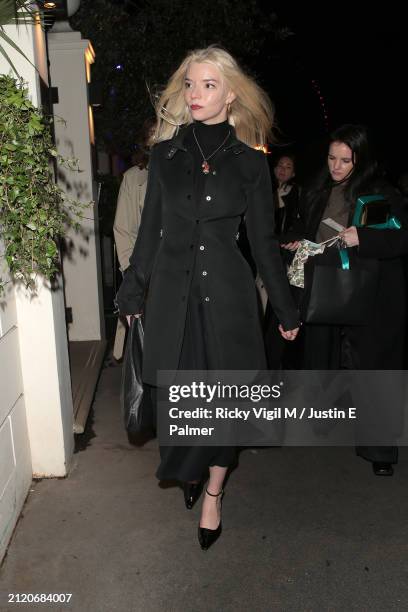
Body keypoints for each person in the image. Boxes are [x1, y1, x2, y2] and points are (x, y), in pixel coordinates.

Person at [115, 45, 299, 550]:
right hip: (172, 297)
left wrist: (285, 308)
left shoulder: (249, 165)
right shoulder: (165, 156)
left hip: (229, 299)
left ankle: (214, 491)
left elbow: (263, 245)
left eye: (209, 85)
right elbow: (149, 231)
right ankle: (192, 467)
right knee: (181, 407)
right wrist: (132, 292)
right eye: (191, 85)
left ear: (231, 95)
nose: (196, 94)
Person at [282, 124, 408, 476]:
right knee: (322, 361)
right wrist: (295, 240)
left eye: (345, 160)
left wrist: (363, 238)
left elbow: (399, 239)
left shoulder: (379, 193)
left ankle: (380, 449)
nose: (336, 166)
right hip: (326, 288)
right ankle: (323, 425)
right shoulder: (318, 189)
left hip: (372, 295)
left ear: (360, 159)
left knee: (373, 369)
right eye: (331, 158)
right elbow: (307, 229)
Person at [113, 117, 156, 360]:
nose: (157, 138)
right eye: (152, 134)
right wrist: (132, 273)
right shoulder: (133, 178)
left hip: (178, 268)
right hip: (143, 270)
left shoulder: (186, 172)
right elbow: (123, 229)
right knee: (146, 345)